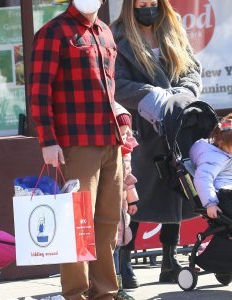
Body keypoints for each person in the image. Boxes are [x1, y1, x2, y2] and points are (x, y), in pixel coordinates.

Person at [29, 0, 124, 299]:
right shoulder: (53, 32)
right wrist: (47, 140)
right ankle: (75, 294)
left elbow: (110, 91)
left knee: (107, 224)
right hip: (76, 144)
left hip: (112, 142)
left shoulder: (106, 33)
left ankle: (105, 293)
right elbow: (38, 92)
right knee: (76, 224)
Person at [110, 0, 202, 284]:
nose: (148, 8)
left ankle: (170, 258)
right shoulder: (118, 35)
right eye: (142, 4)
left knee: (176, 187)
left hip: (175, 121)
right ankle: (124, 260)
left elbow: (192, 69)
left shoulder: (172, 26)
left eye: (152, 3)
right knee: (137, 192)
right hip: (140, 126)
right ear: (130, 5)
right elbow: (116, 82)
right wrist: (150, 94)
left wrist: (182, 94)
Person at [114, 105, 139, 299]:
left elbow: (128, 178)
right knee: (111, 245)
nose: (124, 137)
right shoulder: (111, 151)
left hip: (122, 205)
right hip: (112, 204)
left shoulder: (126, 150)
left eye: (126, 133)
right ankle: (113, 283)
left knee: (120, 243)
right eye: (120, 133)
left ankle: (118, 281)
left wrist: (132, 201)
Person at [190, 114, 232, 229]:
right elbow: (203, 179)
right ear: (222, 143)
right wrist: (211, 203)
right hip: (223, 196)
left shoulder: (223, 152)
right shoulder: (213, 159)